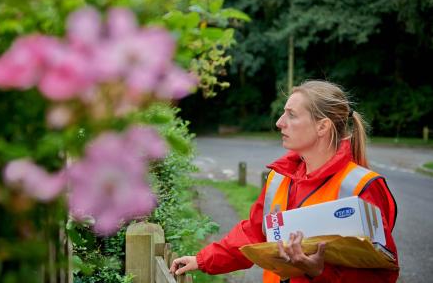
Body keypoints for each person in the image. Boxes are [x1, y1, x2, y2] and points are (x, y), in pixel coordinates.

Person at [170, 80, 398, 283]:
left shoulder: (362, 186)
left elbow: (382, 273)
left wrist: (319, 273)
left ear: (322, 126)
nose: (279, 122)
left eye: (291, 115)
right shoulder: (279, 179)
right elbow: (254, 234)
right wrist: (202, 260)